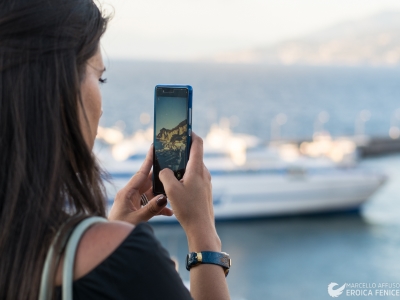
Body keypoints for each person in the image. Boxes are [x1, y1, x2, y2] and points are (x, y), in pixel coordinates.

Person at [0, 0, 230, 299]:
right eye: (99, 77)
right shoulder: (130, 262)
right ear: (58, 88)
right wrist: (203, 236)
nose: (102, 106)